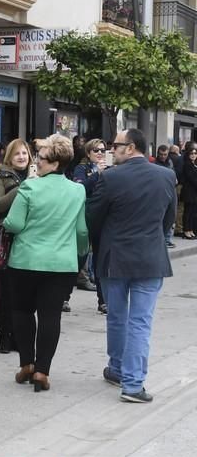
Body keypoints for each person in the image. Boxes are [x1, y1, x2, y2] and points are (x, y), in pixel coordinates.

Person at [87, 128, 177, 403]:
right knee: (140, 321)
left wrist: (101, 243)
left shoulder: (110, 177)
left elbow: (93, 217)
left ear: (131, 147)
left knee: (117, 316)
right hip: (150, 257)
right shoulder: (166, 176)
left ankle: (118, 370)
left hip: (115, 257)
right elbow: (168, 219)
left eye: (116, 145)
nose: (111, 150)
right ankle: (133, 383)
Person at [5, 135, 88, 393]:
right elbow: (82, 231)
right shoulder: (77, 190)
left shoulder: (30, 187)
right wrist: (80, 252)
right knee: (51, 317)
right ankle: (43, 371)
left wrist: (6, 225)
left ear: (54, 163)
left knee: (22, 312)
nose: (36, 162)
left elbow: (14, 224)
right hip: (61, 264)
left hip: (26, 261)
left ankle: (27, 364)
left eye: (40, 158)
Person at [0, 138, 31, 354]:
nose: (22, 157)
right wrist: (21, 189)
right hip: (6, 241)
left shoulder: (38, 176)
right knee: (5, 292)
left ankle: (17, 336)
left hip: (29, 242)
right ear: (9, 158)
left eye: (24, 153)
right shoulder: (2, 176)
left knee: (23, 294)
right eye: (17, 154)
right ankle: (4, 336)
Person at [72, 139, 109, 313]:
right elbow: (79, 189)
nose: (100, 153)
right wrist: (96, 174)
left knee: (101, 260)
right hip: (85, 217)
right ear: (88, 153)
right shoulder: (82, 169)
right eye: (96, 150)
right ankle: (64, 296)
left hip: (102, 218)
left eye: (103, 150)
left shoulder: (111, 170)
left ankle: (103, 301)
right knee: (80, 257)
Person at [182, 146, 197, 240]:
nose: (193, 155)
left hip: (194, 192)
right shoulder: (187, 164)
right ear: (188, 154)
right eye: (191, 153)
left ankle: (191, 230)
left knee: (193, 212)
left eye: (195, 153)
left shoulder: (194, 164)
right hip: (189, 191)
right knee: (188, 212)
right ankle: (186, 230)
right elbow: (191, 178)